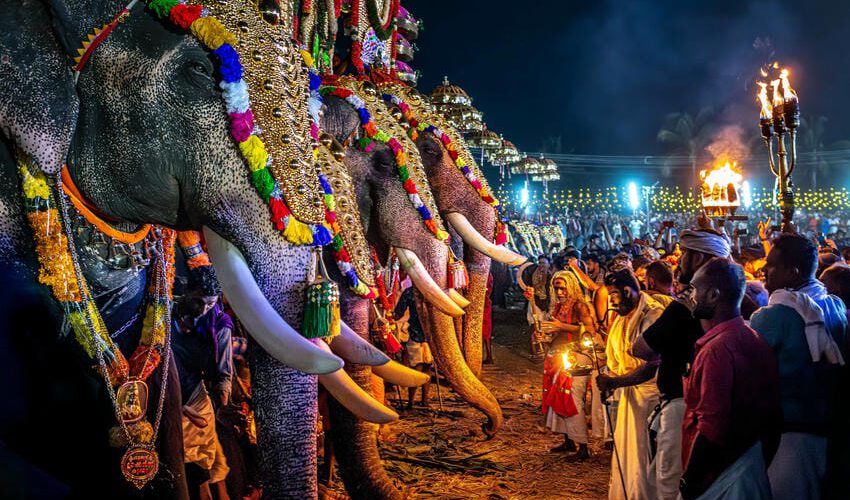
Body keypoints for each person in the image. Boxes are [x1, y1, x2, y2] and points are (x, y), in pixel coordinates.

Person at [631, 228, 731, 500]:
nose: (680, 261)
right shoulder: (733, 300)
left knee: (669, 484)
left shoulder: (687, 305)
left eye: (685, 253)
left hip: (682, 405)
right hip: (708, 408)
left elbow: (640, 349)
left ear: (698, 258)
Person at [750, 233, 848, 500]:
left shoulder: (775, 315)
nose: (764, 270)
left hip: (789, 437)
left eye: (771, 265)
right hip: (830, 431)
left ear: (792, 272)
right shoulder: (835, 305)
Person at [679, 259, 781, 499]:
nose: (690, 296)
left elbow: (712, 428)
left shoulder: (717, 350)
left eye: (694, 289)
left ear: (713, 295)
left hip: (722, 476)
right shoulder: (752, 337)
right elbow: (773, 417)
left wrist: (690, 481)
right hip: (749, 465)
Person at [596, 269, 664, 500]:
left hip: (649, 398)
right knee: (628, 455)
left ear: (627, 291)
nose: (611, 302)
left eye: (613, 295)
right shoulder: (621, 317)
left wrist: (616, 381)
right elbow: (616, 359)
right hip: (629, 398)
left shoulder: (653, 314)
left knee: (644, 456)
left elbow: (652, 365)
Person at [173, 277, 234, 500]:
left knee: (198, 474)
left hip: (195, 404)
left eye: (211, 304)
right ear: (188, 292)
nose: (204, 309)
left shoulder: (219, 324)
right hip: (165, 398)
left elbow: (223, 375)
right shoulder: (165, 312)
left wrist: (220, 404)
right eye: (200, 301)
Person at [539, 270, 600, 461]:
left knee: (572, 401)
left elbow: (590, 330)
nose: (559, 292)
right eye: (556, 288)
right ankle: (568, 441)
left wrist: (561, 327)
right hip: (558, 357)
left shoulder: (580, 306)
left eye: (563, 288)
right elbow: (556, 330)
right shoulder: (558, 306)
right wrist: (545, 335)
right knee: (559, 399)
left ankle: (583, 448)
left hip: (575, 359)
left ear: (571, 287)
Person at [395, 282, 432, 409]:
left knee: (416, 369)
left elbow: (398, 313)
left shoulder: (409, 292)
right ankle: (424, 401)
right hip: (430, 336)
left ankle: (411, 402)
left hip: (415, 335)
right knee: (427, 368)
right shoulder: (430, 291)